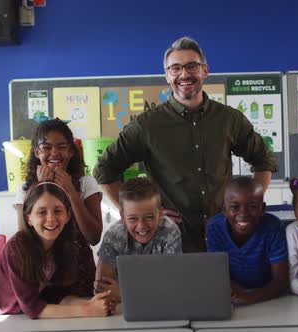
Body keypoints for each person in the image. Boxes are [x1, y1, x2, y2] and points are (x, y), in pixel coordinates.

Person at [93, 36, 277, 252]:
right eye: (176, 68)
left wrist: (246, 208)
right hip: (171, 241)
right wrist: (143, 214)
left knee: (225, 287)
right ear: (167, 76)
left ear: (205, 71)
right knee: (174, 287)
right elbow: (104, 171)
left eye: (192, 66)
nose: (184, 74)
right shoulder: (147, 125)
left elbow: (264, 161)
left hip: (226, 238)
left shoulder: (229, 120)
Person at [0, 182, 116, 332]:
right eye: (41, 212)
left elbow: (54, 295)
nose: (51, 218)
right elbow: (32, 308)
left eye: (58, 210)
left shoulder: (65, 246)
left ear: (68, 215)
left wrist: (93, 303)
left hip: (13, 316)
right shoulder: (17, 248)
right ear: (28, 218)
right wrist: (87, 310)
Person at [13, 119, 102, 295]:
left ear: (70, 152)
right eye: (46, 147)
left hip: (79, 274)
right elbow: (24, 236)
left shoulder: (86, 184)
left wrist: (71, 193)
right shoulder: (25, 189)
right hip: (40, 275)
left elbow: (94, 237)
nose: (54, 153)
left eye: (61, 146)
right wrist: (38, 188)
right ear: (37, 152)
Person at [94, 177, 182, 302]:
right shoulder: (114, 235)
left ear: (160, 213)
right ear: (122, 216)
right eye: (133, 219)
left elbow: (174, 287)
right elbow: (101, 288)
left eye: (149, 217)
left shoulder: (170, 232)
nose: (141, 226)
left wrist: (124, 293)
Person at [206, 176, 288, 305]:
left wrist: (249, 298)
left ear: (263, 209)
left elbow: (281, 280)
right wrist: (235, 291)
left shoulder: (273, 227)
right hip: (232, 298)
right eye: (235, 207)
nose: (243, 213)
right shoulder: (214, 228)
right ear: (224, 210)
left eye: (252, 206)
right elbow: (217, 273)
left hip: (269, 299)